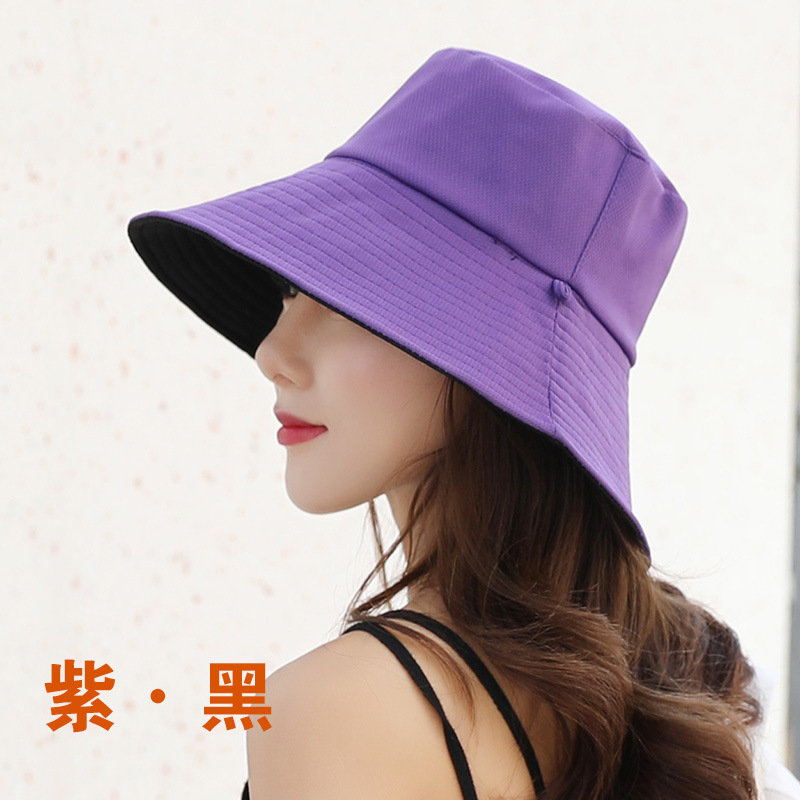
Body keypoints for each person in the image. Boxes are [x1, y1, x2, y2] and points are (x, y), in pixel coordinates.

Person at [127, 47, 797, 799]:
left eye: (345, 297)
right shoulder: (670, 673)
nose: (272, 354)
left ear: (490, 355)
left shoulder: (339, 710)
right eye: (289, 288)